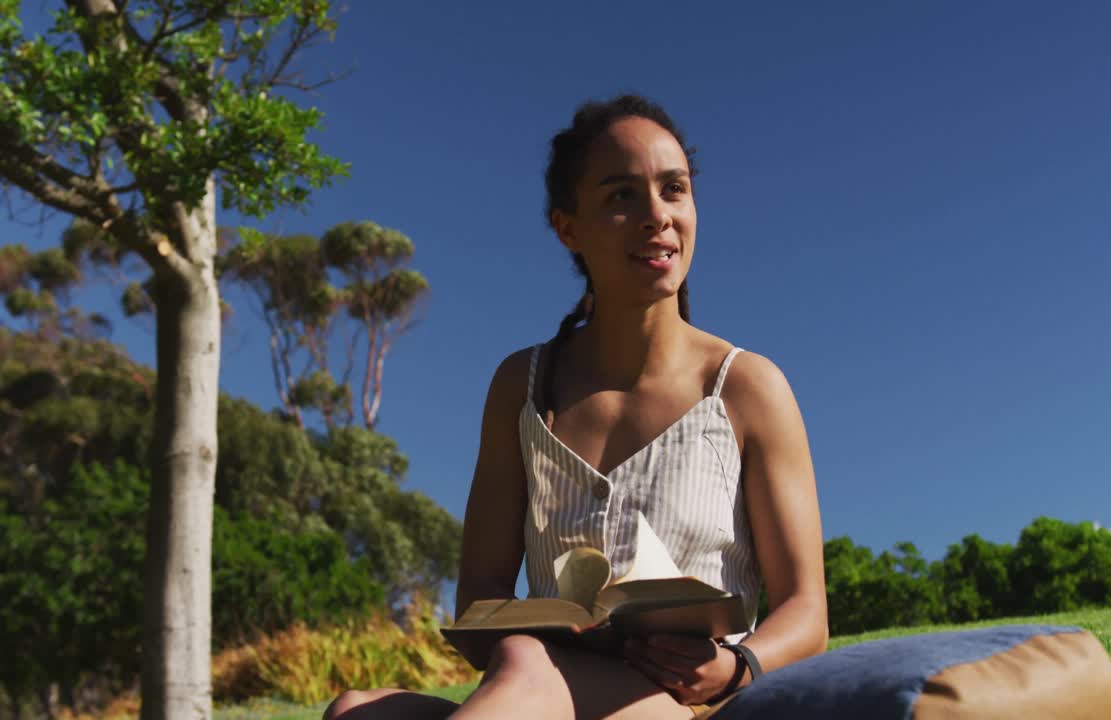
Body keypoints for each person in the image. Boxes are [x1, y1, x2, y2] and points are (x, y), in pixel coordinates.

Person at [325, 94, 828, 720]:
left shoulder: (746, 388)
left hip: (684, 706)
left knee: (525, 669)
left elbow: (807, 613)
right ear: (569, 227)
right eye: (622, 196)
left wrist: (736, 666)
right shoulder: (522, 386)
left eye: (674, 190)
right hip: (543, 684)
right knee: (359, 710)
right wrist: (552, 630)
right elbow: (479, 601)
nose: (657, 216)